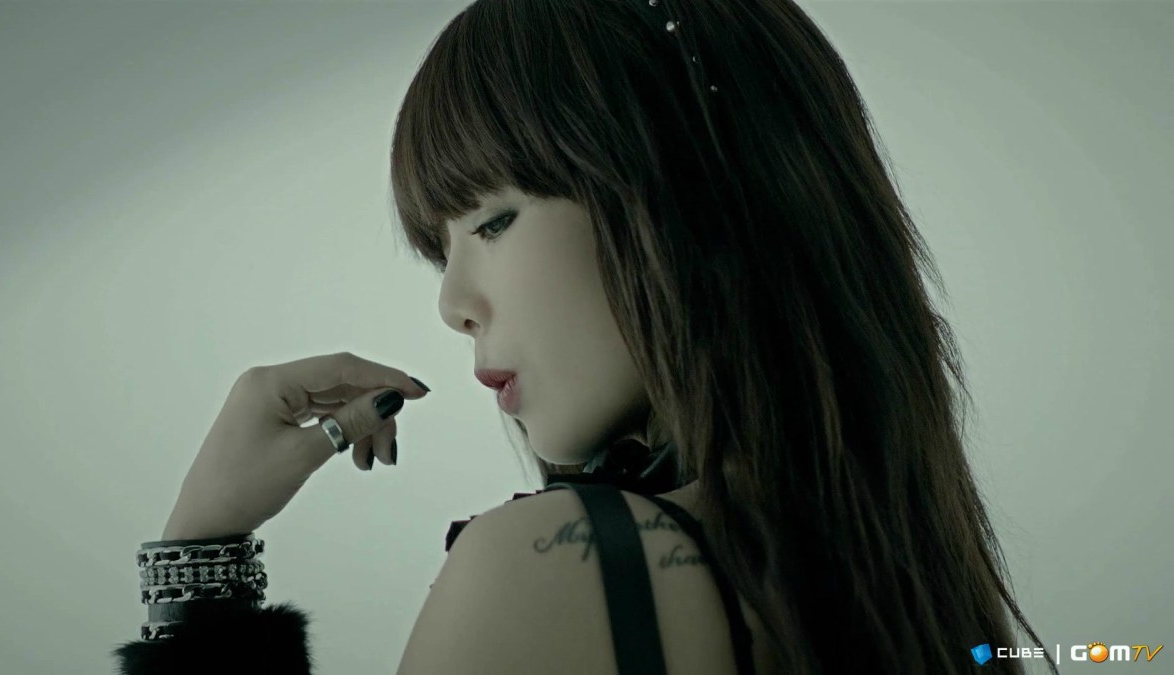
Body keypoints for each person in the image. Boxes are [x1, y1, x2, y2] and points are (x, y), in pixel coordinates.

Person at [112, 0, 1060, 673]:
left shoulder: (560, 567)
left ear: (689, 198)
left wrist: (198, 553)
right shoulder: (903, 589)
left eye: (492, 221)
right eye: (440, 248)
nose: (453, 304)